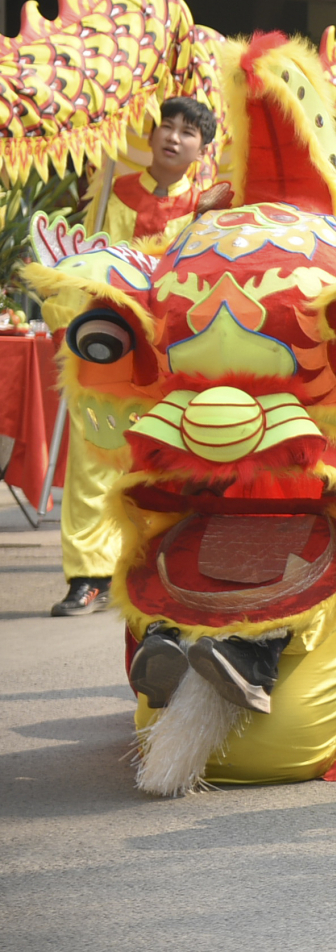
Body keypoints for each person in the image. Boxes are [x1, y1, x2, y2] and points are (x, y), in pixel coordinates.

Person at [54, 97, 229, 616]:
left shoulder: (211, 206)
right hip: (112, 346)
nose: (174, 137)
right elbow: (84, 265)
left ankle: (167, 561)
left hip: (175, 351)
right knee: (91, 455)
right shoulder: (111, 192)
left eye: (188, 132)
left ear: (203, 148)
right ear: (150, 136)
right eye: (166, 127)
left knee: (173, 457)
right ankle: (88, 573)